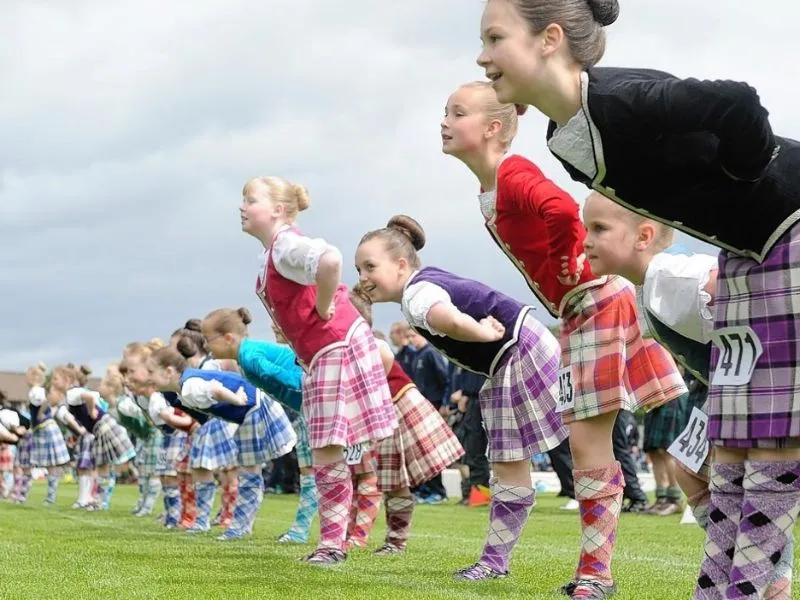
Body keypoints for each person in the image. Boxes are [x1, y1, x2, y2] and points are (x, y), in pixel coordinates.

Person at [356, 214, 565, 580]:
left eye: (370, 266)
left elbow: (447, 319)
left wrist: (483, 333)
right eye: (360, 268)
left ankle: (494, 562)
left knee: (510, 462)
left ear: (401, 264)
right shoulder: (422, 284)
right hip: (523, 347)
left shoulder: (417, 294)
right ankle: (496, 560)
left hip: (516, 351)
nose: (363, 277)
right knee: (516, 460)